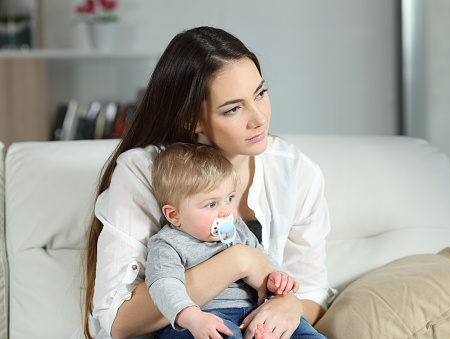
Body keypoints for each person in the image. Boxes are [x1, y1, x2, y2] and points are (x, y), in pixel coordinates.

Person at [82, 26, 336, 339]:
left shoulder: (297, 173)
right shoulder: (144, 172)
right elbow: (117, 322)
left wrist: (290, 305)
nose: (259, 118)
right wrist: (239, 261)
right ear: (191, 120)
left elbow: (312, 290)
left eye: (260, 93)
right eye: (233, 108)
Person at [147, 142, 325, 339]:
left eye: (230, 198)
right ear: (174, 215)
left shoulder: (238, 229)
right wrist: (191, 317)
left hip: (253, 313)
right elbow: (164, 285)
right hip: (204, 316)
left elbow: (263, 260)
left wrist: (276, 279)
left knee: (304, 332)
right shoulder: (167, 244)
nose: (226, 212)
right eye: (212, 204)